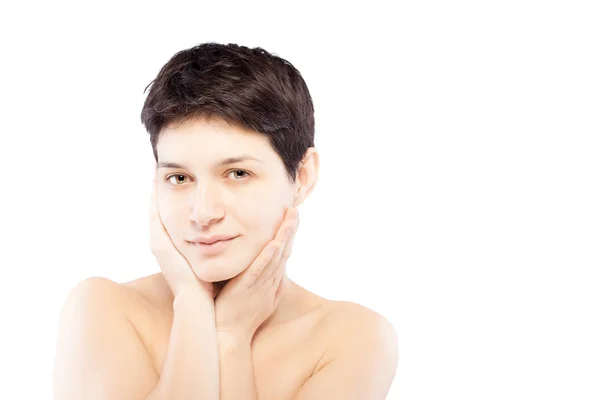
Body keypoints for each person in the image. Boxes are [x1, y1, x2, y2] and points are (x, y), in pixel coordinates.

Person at [53, 42, 398, 399]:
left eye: (237, 173)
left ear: (303, 176)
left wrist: (230, 337)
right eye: (180, 178)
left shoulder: (352, 339)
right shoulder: (103, 309)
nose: (202, 213)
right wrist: (191, 304)